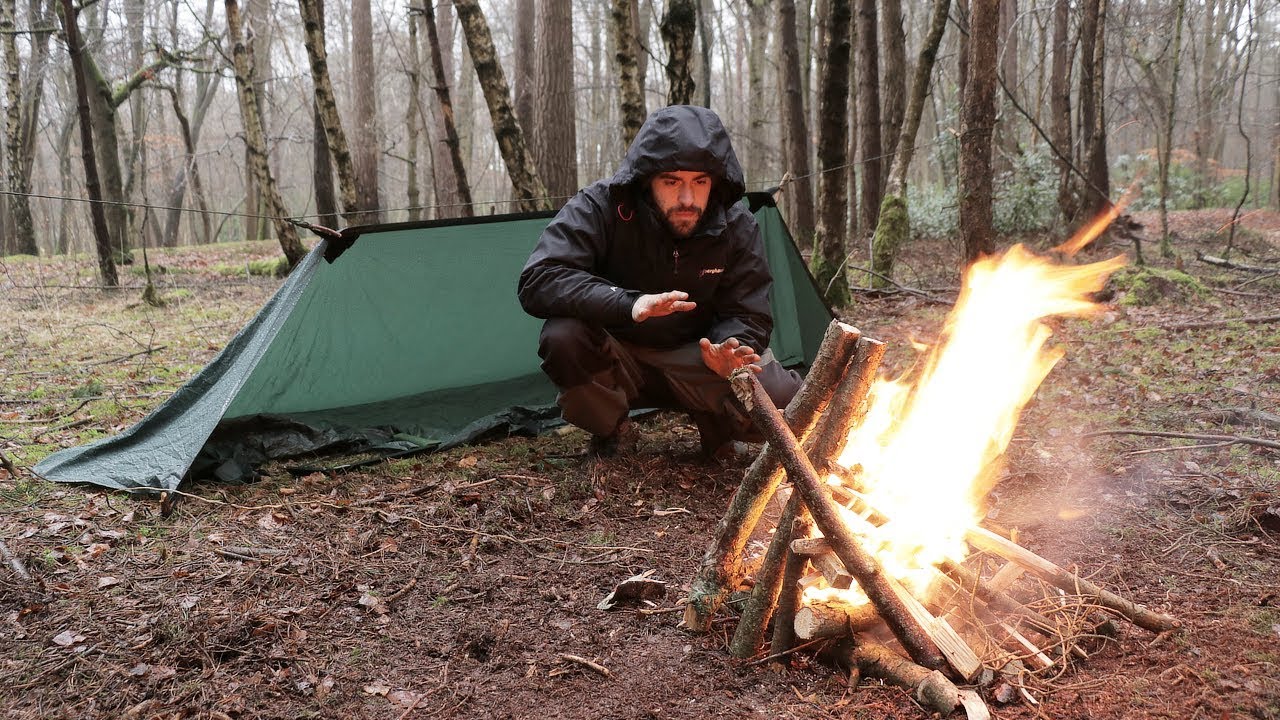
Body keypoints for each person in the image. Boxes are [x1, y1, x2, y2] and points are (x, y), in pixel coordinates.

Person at [517, 105, 802, 461]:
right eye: (672, 181)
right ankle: (612, 430)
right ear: (646, 179)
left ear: (716, 183)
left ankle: (717, 424)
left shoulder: (736, 224)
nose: (687, 199)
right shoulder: (601, 206)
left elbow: (749, 310)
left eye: (700, 182)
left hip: (698, 357)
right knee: (563, 337)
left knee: (788, 401)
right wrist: (629, 303)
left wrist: (729, 349)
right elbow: (540, 277)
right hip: (617, 352)